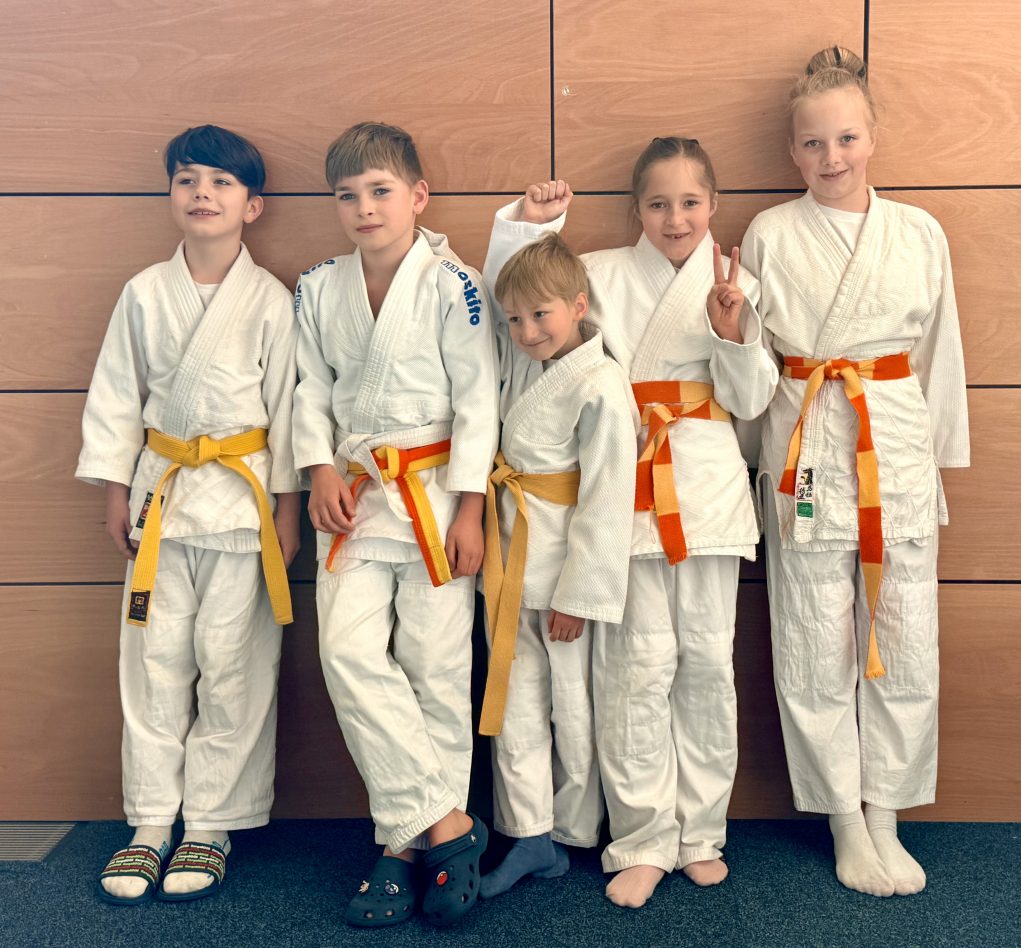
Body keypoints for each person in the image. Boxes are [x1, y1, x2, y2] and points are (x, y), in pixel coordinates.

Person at [485, 139, 778, 908]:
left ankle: (702, 833)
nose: (675, 219)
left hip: (707, 489)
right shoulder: (600, 273)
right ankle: (644, 838)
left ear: (713, 206)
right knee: (636, 672)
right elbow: (520, 308)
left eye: (690, 203)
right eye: (657, 204)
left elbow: (751, 401)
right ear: (635, 209)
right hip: (623, 489)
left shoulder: (736, 280)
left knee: (707, 665)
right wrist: (531, 223)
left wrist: (731, 332)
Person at [741, 46, 970, 897]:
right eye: (813, 143)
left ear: (872, 137)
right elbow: (753, 365)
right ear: (792, 151)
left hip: (893, 441)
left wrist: (939, 456)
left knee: (904, 635)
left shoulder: (918, 232)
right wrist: (749, 458)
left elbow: (939, 353)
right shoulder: (770, 232)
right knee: (813, 638)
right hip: (805, 443)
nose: (830, 157)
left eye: (845, 139)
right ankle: (842, 817)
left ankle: (886, 813)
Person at [77, 124, 301, 904]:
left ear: (252, 205)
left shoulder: (271, 301)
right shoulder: (143, 293)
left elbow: (290, 412)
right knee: (154, 661)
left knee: (234, 664)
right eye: (187, 179)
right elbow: (116, 397)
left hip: (243, 509)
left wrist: (289, 514)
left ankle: (211, 822)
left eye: (221, 182)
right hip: (161, 502)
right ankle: (149, 823)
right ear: (171, 194)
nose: (202, 193)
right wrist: (116, 491)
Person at [291, 122, 499, 927]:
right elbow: (308, 388)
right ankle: (445, 824)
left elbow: (479, 401)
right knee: (346, 653)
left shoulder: (456, 284)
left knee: (435, 669)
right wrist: (316, 467)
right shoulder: (317, 286)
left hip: (437, 497)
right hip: (352, 496)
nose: (364, 208)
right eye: (347, 196)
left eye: (380, 191)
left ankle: (402, 849)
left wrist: (473, 507)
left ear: (418, 196)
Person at [476, 234, 638, 898]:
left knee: (571, 705)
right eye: (514, 318)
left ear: (579, 305)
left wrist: (580, 593)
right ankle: (528, 832)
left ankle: (572, 827)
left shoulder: (601, 382)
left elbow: (607, 494)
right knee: (513, 700)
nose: (526, 331)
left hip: (562, 574)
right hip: (508, 562)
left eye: (540, 314)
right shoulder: (524, 367)